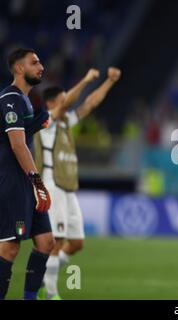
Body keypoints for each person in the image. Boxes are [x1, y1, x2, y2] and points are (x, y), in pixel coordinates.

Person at [35, 67, 122, 299]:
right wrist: (85, 79)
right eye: (63, 99)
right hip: (52, 185)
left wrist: (109, 82)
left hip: (68, 188)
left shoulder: (64, 123)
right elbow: (68, 104)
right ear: (53, 103)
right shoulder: (47, 123)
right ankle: (50, 292)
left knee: (76, 243)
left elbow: (89, 104)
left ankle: (43, 277)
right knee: (57, 239)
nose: (68, 103)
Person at [0, 48, 55, 300]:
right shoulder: (9, 98)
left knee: (45, 242)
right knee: (10, 248)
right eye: (34, 63)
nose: (41, 66)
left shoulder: (26, 100)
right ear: (19, 68)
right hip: (13, 181)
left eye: (40, 61)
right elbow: (17, 144)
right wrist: (37, 181)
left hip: (27, 181)